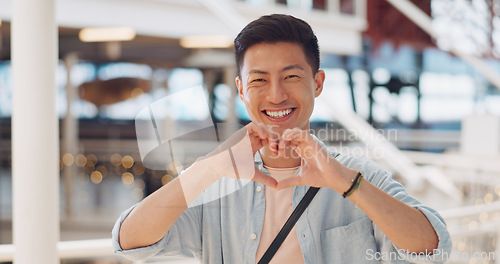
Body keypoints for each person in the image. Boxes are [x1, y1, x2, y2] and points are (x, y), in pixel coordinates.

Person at [112, 14, 451, 263]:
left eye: (291, 76)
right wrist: (208, 169)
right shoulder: (215, 184)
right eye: (259, 81)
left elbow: (433, 248)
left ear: (317, 83)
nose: (276, 96)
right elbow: (129, 241)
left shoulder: (357, 174)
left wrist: (346, 183)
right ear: (241, 90)